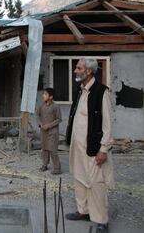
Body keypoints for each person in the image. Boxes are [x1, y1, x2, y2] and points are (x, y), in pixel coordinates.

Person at [65, 58, 114, 233]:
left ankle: (101, 219)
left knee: (96, 182)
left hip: (93, 148)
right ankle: (83, 211)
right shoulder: (80, 90)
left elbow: (108, 124)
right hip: (77, 147)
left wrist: (103, 149)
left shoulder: (101, 92)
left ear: (89, 72)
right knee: (79, 178)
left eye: (78, 68)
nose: (75, 71)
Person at [36, 87, 62, 174]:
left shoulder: (56, 106)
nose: (43, 95)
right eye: (43, 94)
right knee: (44, 149)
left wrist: (49, 126)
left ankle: (57, 168)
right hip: (43, 131)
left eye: (45, 94)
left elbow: (59, 119)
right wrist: (40, 124)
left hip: (52, 132)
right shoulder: (41, 105)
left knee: (52, 149)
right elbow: (37, 115)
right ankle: (45, 164)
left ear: (51, 97)